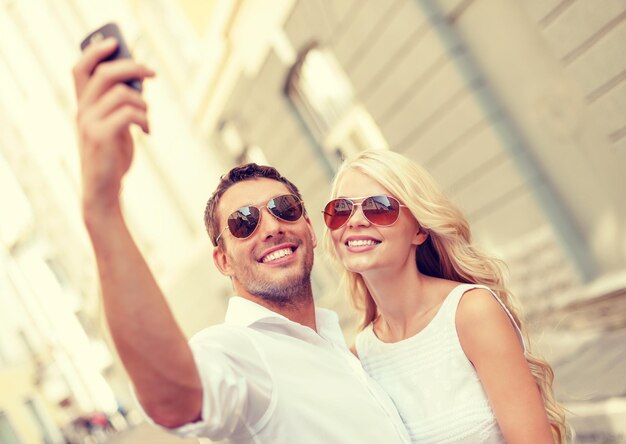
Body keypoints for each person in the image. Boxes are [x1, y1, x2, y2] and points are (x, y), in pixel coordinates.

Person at [72, 37, 411, 443]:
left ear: (308, 227)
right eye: (243, 222)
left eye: (283, 208)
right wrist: (102, 206)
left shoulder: (339, 341)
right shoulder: (239, 351)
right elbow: (175, 399)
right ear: (223, 261)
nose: (270, 228)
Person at [323, 149, 568, 443]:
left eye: (379, 207)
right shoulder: (360, 358)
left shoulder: (471, 312)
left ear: (419, 231)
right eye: (341, 210)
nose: (356, 220)